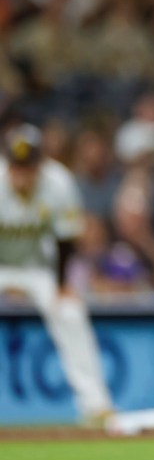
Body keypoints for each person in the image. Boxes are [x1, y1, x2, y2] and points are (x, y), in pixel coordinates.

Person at [0, 124, 114, 426]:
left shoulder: (58, 181)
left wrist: (63, 285)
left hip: (40, 270)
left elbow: (66, 239)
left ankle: (96, 405)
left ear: (40, 164)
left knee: (70, 311)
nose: (22, 174)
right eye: (16, 166)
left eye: (28, 166)